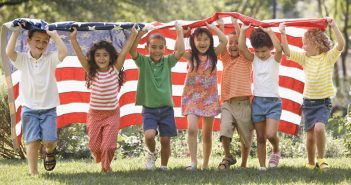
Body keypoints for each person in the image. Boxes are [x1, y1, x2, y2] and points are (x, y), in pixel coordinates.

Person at [70, 26, 138, 172]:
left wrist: (132, 35)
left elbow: (125, 51)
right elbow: (80, 56)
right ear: (93, 58)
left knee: (108, 146)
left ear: (111, 57)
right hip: (94, 115)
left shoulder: (115, 69)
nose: (101, 58)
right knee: (95, 146)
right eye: (98, 55)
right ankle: (101, 158)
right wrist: (73, 38)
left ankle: (106, 167)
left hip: (112, 114)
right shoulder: (91, 71)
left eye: (105, 55)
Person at [279, 17, 345, 170]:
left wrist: (334, 26)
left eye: (306, 43)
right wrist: (283, 33)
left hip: (323, 103)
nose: (303, 46)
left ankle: (321, 159)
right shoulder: (305, 58)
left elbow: (340, 44)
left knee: (319, 129)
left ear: (317, 43)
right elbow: (287, 51)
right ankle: (310, 162)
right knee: (309, 138)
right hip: (308, 103)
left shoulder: (328, 58)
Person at [6, 26, 68, 176]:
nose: (41, 44)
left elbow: (64, 52)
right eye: (37, 40)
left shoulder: (50, 58)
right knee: (32, 141)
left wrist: (54, 35)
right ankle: (34, 173)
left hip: (49, 108)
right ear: (28, 41)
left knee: (49, 140)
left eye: (45, 41)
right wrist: (15, 32)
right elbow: (9, 52)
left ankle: (49, 151)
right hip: (29, 108)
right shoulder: (22, 59)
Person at [129, 23, 185, 170]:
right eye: (153, 47)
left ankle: (164, 166)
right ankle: (152, 153)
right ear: (147, 47)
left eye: (161, 47)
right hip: (149, 109)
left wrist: (179, 33)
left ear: (165, 49)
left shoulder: (167, 62)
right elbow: (132, 50)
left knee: (165, 140)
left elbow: (180, 51)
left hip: (166, 109)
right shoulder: (143, 62)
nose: (157, 50)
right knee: (149, 135)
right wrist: (140, 34)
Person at [181, 22, 227, 170]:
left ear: (210, 41)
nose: (202, 43)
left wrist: (213, 28)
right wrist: (181, 34)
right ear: (193, 41)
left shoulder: (213, 55)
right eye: (199, 39)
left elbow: (224, 41)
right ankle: (193, 163)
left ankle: (205, 164)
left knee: (207, 134)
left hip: (209, 99)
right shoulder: (190, 56)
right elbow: (179, 49)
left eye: (206, 39)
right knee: (192, 129)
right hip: (192, 98)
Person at [238, 24, 283, 170]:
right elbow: (242, 48)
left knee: (270, 134)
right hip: (257, 102)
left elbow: (280, 48)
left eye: (264, 51)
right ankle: (262, 166)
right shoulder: (254, 59)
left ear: (270, 48)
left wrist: (271, 33)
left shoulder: (275, 59)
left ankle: (276, 149)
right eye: (257, 51)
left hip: (273, 103)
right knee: (261, 137)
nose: (261, 54)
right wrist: (243, 31)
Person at [216, 17, 254, 169]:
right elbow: (222, 41)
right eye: (230, 43)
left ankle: (244, 164)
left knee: (245, 138)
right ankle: (228, 156)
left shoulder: (246, 58)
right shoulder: (225, 58)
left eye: (236, 42)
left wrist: (236, 26)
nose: (233, 45)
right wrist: (221, 25)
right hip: (227, 103)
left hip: (243, 104)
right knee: (224, 131)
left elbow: (242, 44)